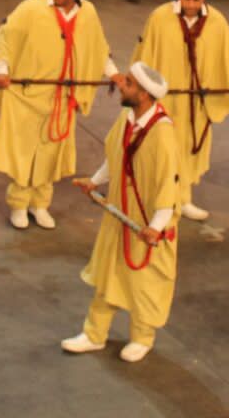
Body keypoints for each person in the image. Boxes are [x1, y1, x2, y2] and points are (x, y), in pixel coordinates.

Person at [61, 62, 179, 364]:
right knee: (108, 275)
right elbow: (115, 156)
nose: (121, 85)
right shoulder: (126, 118)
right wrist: (96, 181)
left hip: (146, 223)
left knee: (144, 283)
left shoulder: (163, 135)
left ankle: (143, 338)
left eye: (127, 83)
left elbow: (169, 185)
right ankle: (94, 334)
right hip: (120, 215)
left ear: (143, 94)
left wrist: (155, 226)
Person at [0, 0, 119, 229]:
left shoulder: (88, 13)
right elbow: (5, 40)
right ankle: (19, 205)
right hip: (28, 96)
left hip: (64, 98)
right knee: (25, 153)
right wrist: (1, 69)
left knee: (51, 153)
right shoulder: (31, 8)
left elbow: (98, 47)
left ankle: (40, 204)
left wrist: (114, 73)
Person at [130, 0, 229, 221]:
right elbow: (144, 54)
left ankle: (182, 199)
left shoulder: (217, 21)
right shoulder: (160, 17)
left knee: (188, 150)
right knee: (162, 150)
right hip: (166, 99)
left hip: (197, 102)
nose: (191, 4)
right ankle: (159, 201)